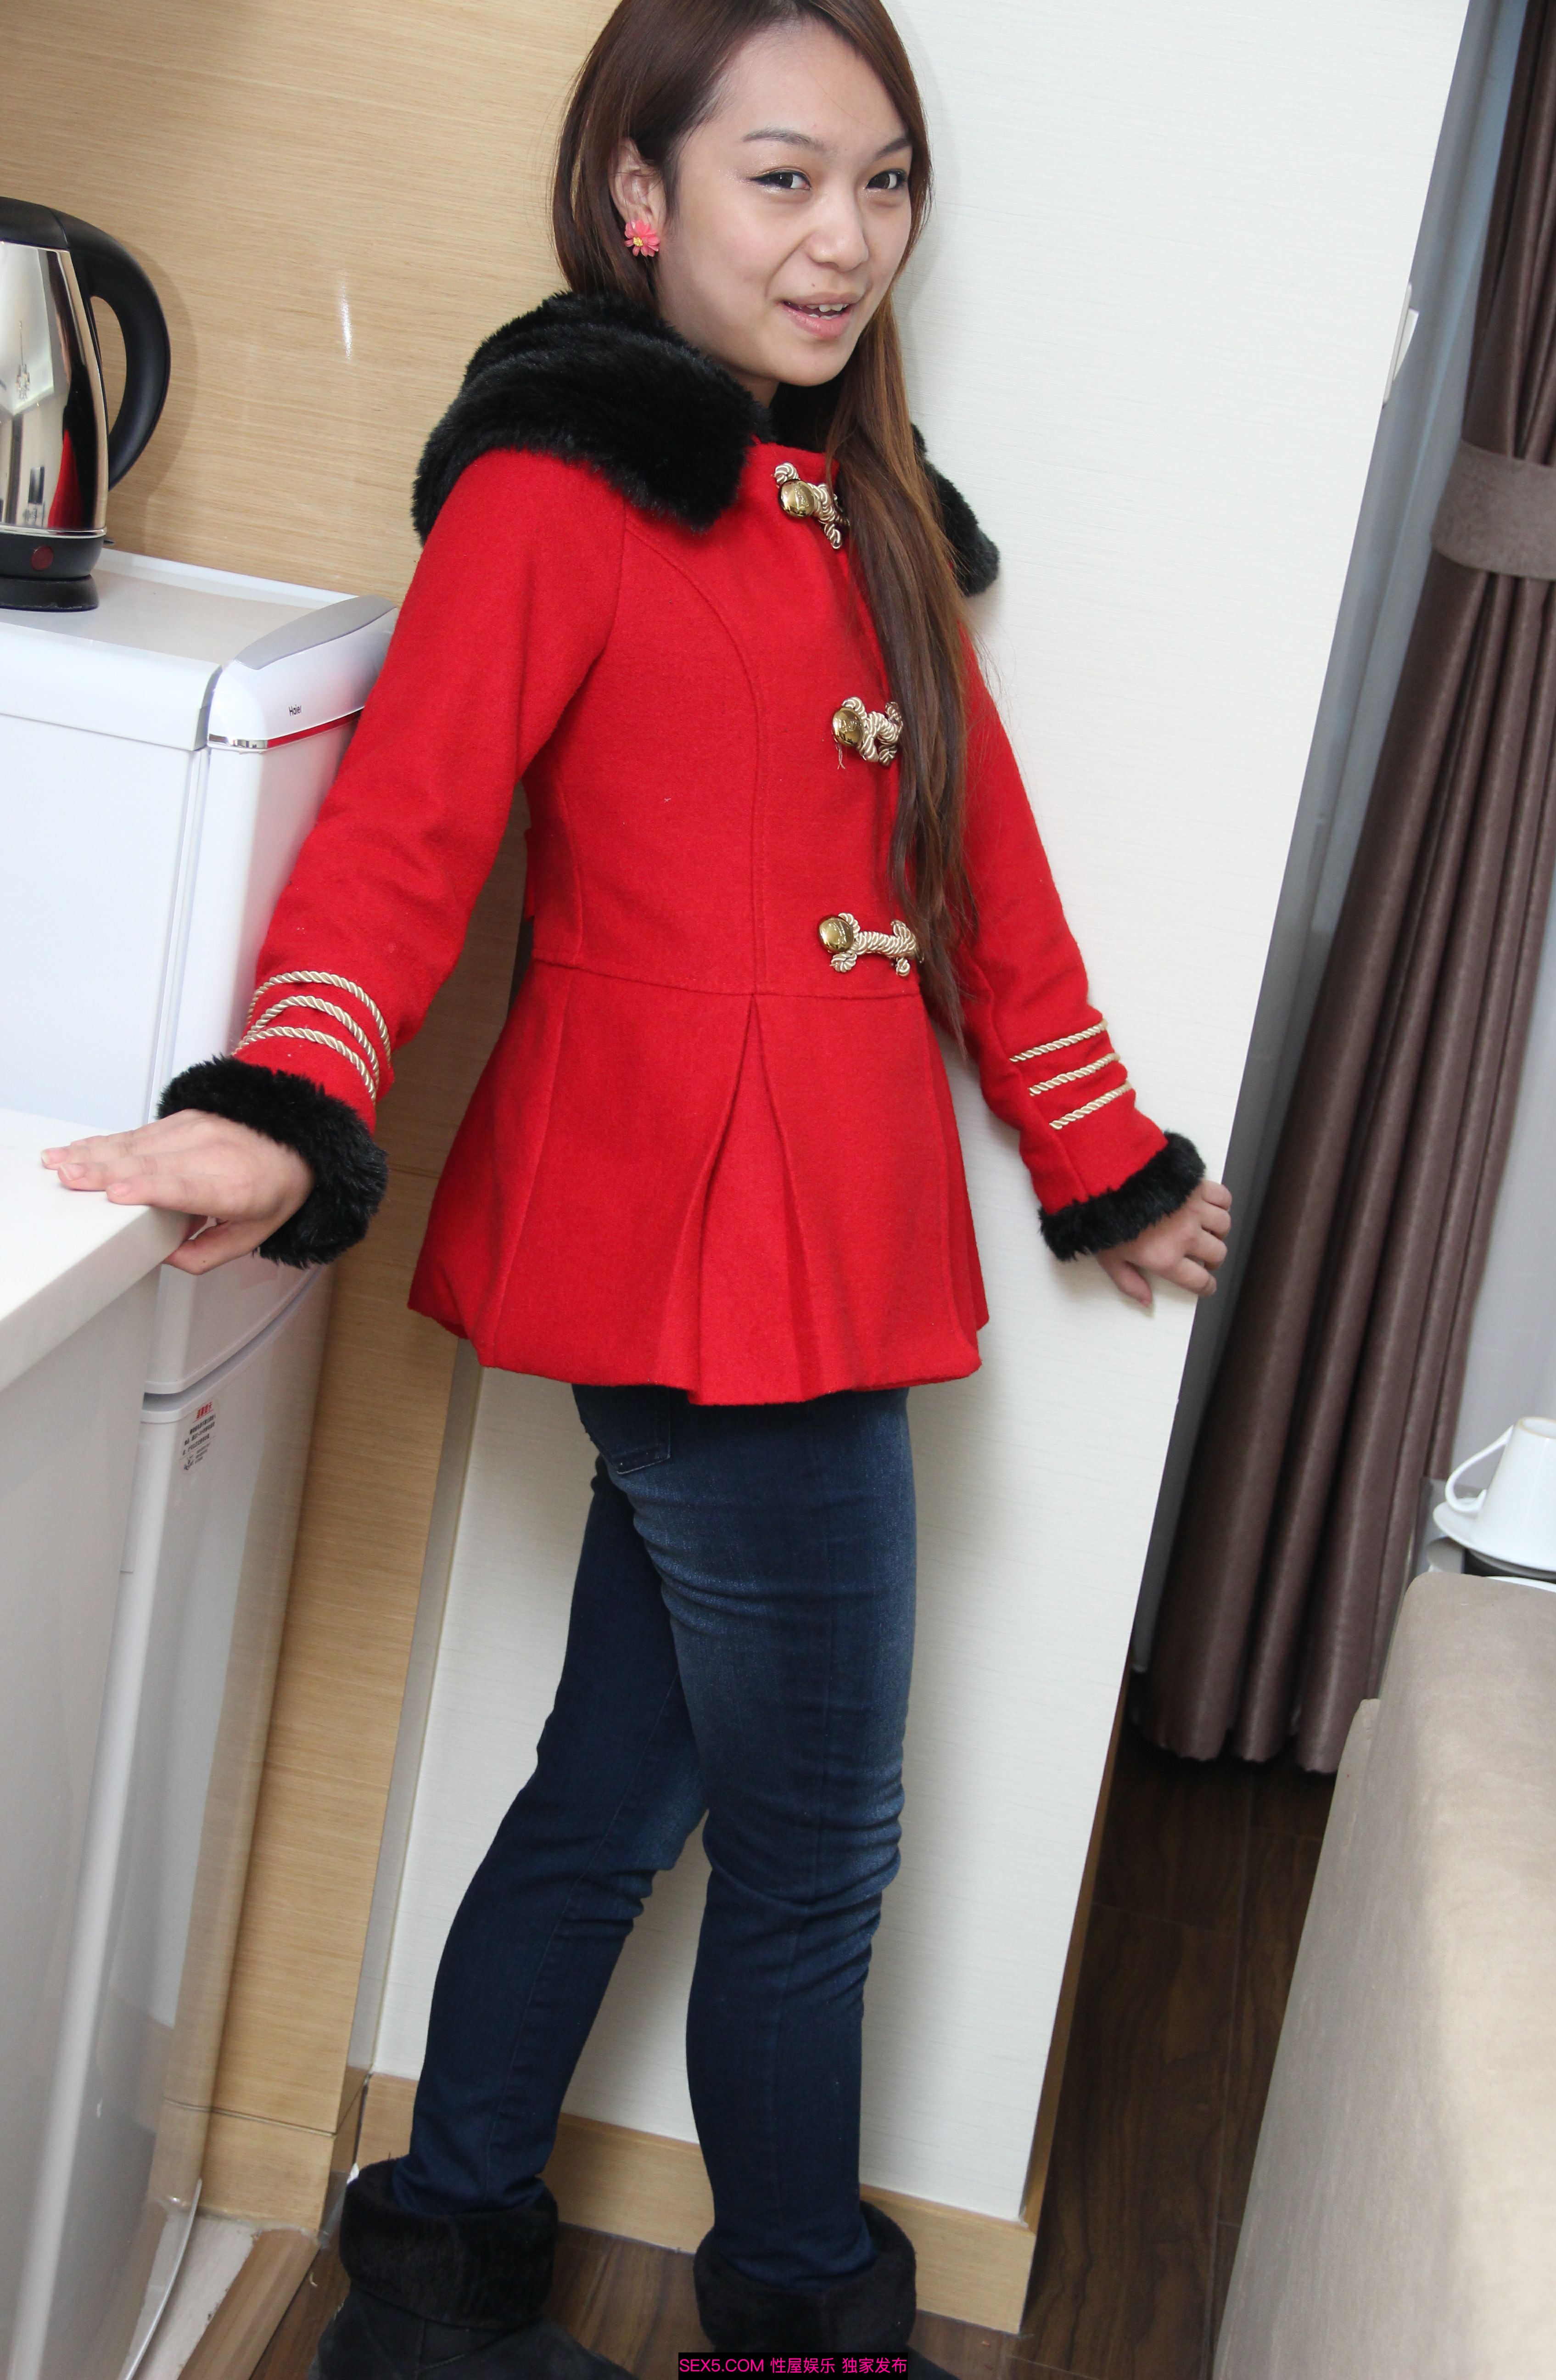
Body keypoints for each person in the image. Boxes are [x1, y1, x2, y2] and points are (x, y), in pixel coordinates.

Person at [45, 0, 1232, 2372]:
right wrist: (284, 1099)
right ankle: (798, 2329)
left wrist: (1099, 1151)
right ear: (638, 196)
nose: (845, 239)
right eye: (783, 177)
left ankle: (435, 2274)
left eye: (884, 182)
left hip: (818, 1243)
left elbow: (976, 868)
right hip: (705, 1248)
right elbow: (405, 835)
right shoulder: (554, 487)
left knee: (615, 1793)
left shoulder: (869, 514)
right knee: (817, 1867)